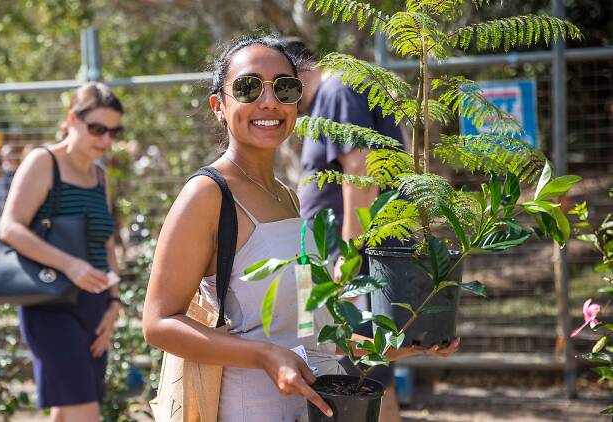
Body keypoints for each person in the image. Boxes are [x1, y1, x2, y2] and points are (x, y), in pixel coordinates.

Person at [142, 35, 457, 422]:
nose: (269, 100)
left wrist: (399, 343)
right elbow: (158, 324)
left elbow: (313, 333)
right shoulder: (208, 195)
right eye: (248, 87)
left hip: (317, 408)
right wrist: (264, 355)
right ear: (219, 106)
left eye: (285, 87)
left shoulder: (289, 199)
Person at [286, 37, 413, 422]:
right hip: (337, 255)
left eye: (282, 85)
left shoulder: (338, 88)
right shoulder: (332, 96)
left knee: (362, 371)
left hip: (349, 261)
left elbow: (360, 171)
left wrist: (349, 252)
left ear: (298, 70)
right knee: (353, 370)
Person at [0, 82, 124, 421]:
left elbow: (106, 244)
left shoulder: (100, 176)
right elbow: (9, 228)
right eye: (97, 128)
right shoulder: (43, 162)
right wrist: (70, 265)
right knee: (86, 413)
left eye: (114, 131)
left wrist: (114, 303)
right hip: (51, 304)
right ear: (72, 119)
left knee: (67, 413)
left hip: (95, 306)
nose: (105, 139)